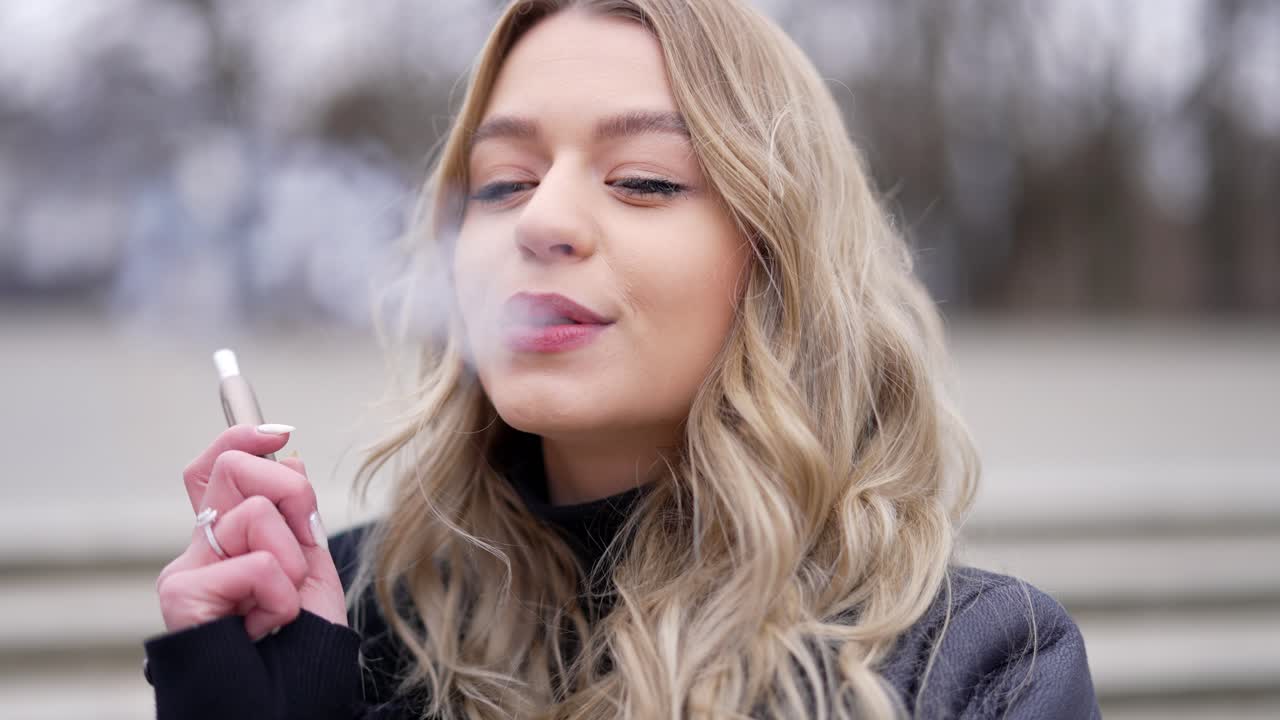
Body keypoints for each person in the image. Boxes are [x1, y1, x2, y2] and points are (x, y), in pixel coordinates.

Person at [143, 1, 1100, 718]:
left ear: (779, 259)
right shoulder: (347, 628)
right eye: (503, 183)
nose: (544, 222)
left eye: (643, 179)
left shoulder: (975, 668)